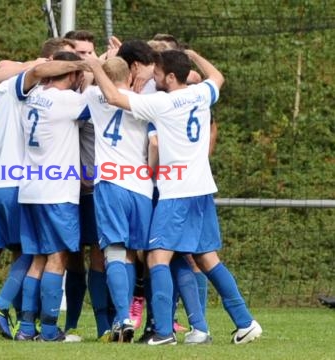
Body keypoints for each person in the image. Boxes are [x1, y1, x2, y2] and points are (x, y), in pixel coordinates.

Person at [86, 49, 262, 345]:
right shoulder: (201, 93)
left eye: (156, 73)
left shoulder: (161, 103)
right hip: (202, 188)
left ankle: (164, 332)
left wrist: (95, 66)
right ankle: (245, 322)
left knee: (156, 257)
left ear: (169, 76)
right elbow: (218, 77)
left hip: (176, 191)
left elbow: (115, 98)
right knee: (206, 258)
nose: (152, 77)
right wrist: (194, 55)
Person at [0, 37, 76, 341]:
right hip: (15, 182)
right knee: (34, 249)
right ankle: (2, 304)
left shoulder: (0, 90)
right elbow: (22, 72)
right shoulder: (23, 86)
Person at [10, 52, 89, 342]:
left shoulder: (32, 95)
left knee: (37, 259)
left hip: (30, 190)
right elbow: (102, 103)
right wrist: (89, 70)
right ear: (71, 75)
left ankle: (27, 328)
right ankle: (51, 328)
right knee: (58, 257)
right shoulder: (67, 100)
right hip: (57, 192)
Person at [84, 57, 154, 343]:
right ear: (130, 74)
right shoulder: (144, 101)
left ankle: (122, 317)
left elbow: (90, 82)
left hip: (110, 183)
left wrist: (95, 65)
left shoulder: (93, 96)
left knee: (113, 249)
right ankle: (156, 322)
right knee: (137, 255)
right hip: (141, 186)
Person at [63, 29, 112, 342]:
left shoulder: (102, 92)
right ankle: (69, 325)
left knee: (98, 256)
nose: (86, 60)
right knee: (69, 257)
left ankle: (104, 326)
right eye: (80, 54)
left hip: (96, 190)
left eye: (90, 54)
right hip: (64, 190)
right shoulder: (62, 95)